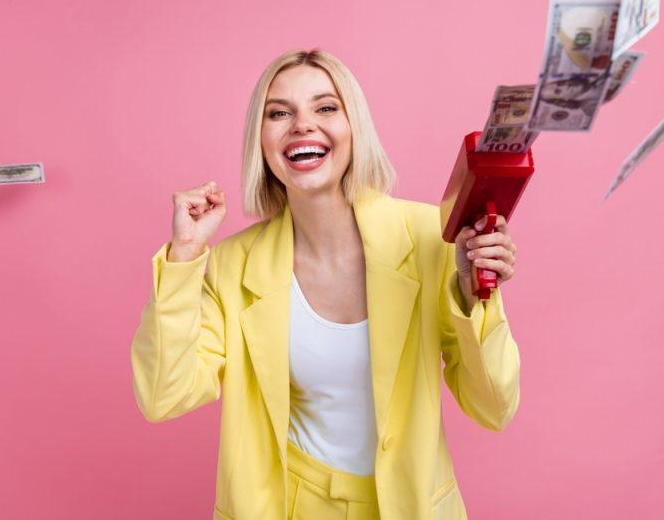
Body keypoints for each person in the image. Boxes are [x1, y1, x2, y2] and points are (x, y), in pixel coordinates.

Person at [131, 49, 521, 520]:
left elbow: (494, 406)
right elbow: (162, 396)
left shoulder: (431, 238)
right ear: (261, 138)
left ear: (354, 126)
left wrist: (473, 295)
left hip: (412, 505)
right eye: (279, 113)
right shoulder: (232, 265)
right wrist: (183, 260)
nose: (302, 125)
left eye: (325, 107)